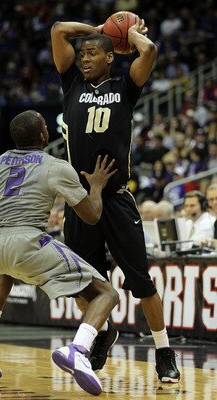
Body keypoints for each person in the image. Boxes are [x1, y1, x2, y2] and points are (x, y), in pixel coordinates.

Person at [50, 16, 180, 382]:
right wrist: (98, 30)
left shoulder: (126, 86)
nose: (84, 58)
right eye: (82, 54)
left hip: (116, 198)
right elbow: (59, 29)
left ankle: (164, 351)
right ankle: (104, 332)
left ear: (110, 57)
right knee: (81, 282)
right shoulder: (71, 83)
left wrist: (130, 36)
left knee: (142, 281)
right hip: (79, 199)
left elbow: (150, 51)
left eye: (92, 53)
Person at [0, 110, 120, 396]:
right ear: (42, 136)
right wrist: (96, 187)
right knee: (107, 293)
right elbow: (91, 216)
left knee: (5, 269)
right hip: (28, 242)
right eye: (46, 126)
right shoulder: (55, 165)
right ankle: (78, 350)